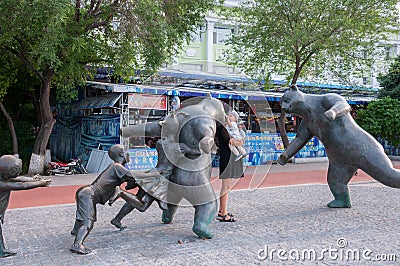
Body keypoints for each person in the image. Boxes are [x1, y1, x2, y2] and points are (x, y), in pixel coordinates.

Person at [70, 144, 164, 255]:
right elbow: (132, 176)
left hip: (86, 193)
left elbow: (130, 182)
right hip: (88, 194)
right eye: (126, 151)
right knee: (88, 222)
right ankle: (77, 245)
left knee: (81, 215)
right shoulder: (116, 166)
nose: (128, 154)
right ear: (121, 154)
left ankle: (76, 230)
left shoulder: (117, 168)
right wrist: (154, 174)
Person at [0, 155, 51, 258]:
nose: (15, 176)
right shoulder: (1, 183)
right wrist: (40, 183)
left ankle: (1, 250)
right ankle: (1, 251)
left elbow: (18, 179)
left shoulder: (3, 176)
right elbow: (21, 185)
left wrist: (33, 179)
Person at [215, 122, 245, 222]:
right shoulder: (223, 129)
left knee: (226, 187)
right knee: (225, 187)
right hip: (228, 158)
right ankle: (223, 213)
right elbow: (236, 142)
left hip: (226, 157)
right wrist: (239, 141)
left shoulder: (220, 129)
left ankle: (222, 210)